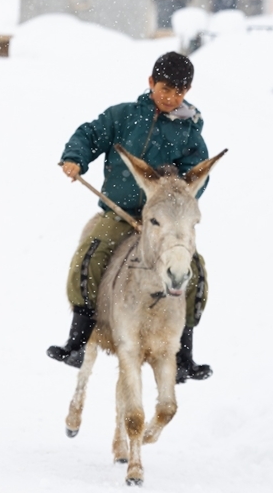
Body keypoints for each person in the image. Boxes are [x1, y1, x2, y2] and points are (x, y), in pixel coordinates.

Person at [47, 51, 213, 383]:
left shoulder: (189, 132)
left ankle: (184, 354)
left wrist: (175, 195)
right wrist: (75, 157)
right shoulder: (122, 116)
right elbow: (90, 134)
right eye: (166, 89)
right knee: (90, 257)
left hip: (164, 223)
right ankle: (79, 338)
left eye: (180, 92)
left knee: (194, 270)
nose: (171, 98)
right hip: (119, 214)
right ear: (151, 82)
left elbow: (199, 176)